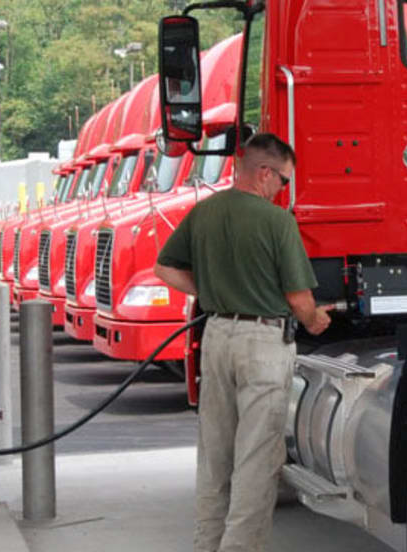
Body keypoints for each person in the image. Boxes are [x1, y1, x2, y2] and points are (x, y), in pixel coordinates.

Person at [154, 132, 332, 552]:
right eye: (284, 180)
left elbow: (165, 269)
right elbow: (299, 299)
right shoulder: (277, 221)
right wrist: (315, 320)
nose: (283, 189)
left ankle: (207, 544)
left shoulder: (205, 211)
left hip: (216, 336)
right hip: (262, 343)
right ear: (265, 173)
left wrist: (213, 291)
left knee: (215, 454)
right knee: (257, 457)